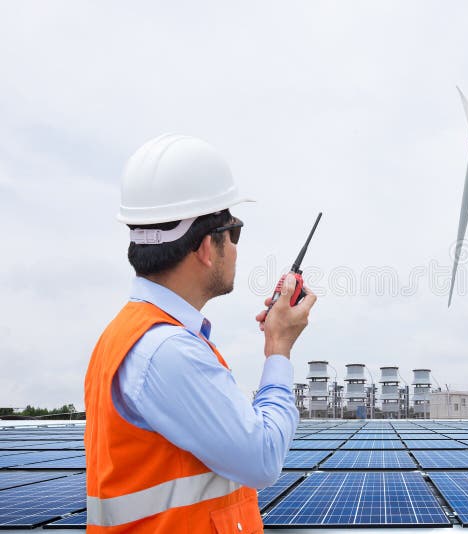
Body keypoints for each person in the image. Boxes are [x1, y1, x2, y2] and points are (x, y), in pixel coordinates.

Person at [84, 134, 316, 533]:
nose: (238, 248)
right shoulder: (167, 350)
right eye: (235, 232)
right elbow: (262, 458)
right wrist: (279, 348)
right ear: (209, 247)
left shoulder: (129, 335)